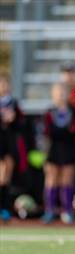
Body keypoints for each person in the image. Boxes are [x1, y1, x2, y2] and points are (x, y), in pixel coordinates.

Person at [42, 83, 75, 224]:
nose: (60, 95)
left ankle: (67, 211)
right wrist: (65, 132)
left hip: (69, 150)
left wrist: (66, 132)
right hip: (53, 150)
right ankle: (50, 210)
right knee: (52, 179)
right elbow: (48, 132)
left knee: (67, 180)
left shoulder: (73, 112)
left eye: (63, 92)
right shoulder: (49, 112)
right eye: (58, 92)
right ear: (53, 95)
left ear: (68, 95)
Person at [0, 74, 25, 222]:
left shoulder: (13, 103)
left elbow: (21, 125)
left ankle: (5, 208)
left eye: (5, 84)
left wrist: (13, 118)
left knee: (6, 177)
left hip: (8, 143)